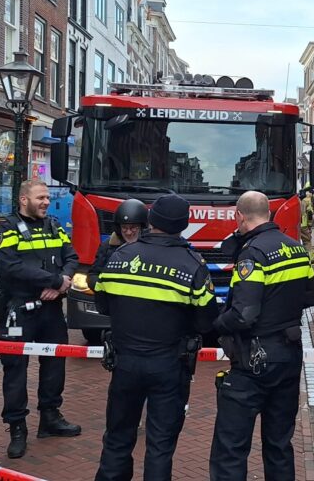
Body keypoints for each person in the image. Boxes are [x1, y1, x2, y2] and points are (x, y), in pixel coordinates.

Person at [93, 193, 218, 481]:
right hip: (168, 366)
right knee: (160, 446)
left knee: (117, 439)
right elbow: (205, 321)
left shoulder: (120, 256)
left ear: (151, 221)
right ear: (182, 225)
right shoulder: (192, 265)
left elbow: (102, 305)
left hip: (124, 364)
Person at [210, 191, 314, 481]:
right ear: (268, 214)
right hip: (289, 357)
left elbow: (244, 314)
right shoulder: (296, 248)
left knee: (231, 449)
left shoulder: (252, 255)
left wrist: (214, 324)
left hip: (253, 363)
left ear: (240, 216)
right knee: (279, 444)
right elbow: (310, 295)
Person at [0, 179, 81, 459]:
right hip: (18, 310)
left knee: (55, 364)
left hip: (51, 311)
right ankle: (17, 428)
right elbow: (10, 267)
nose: (45, 202)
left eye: (46, 199)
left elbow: (72, 256)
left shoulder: (55, 226)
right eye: (39, 198)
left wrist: (61, 282)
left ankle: (50, 418)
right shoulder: (5, 230)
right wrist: (53, 279)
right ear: (23, 200)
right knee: (15, 370)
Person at [87, 199, 147, 289]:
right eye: (124, 228)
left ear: (142, 227)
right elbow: (93, 274)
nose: (128, 232)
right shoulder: (108, 246)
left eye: (133, 228)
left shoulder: (151, 247)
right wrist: (105, 289)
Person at [298, 185, 314, 256]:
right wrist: (310, 224)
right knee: (307, 241)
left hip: (296, 224)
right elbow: (310, 214)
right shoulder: (306, 202)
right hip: (304, 224)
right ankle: (310, 257)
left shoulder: (295, 202)